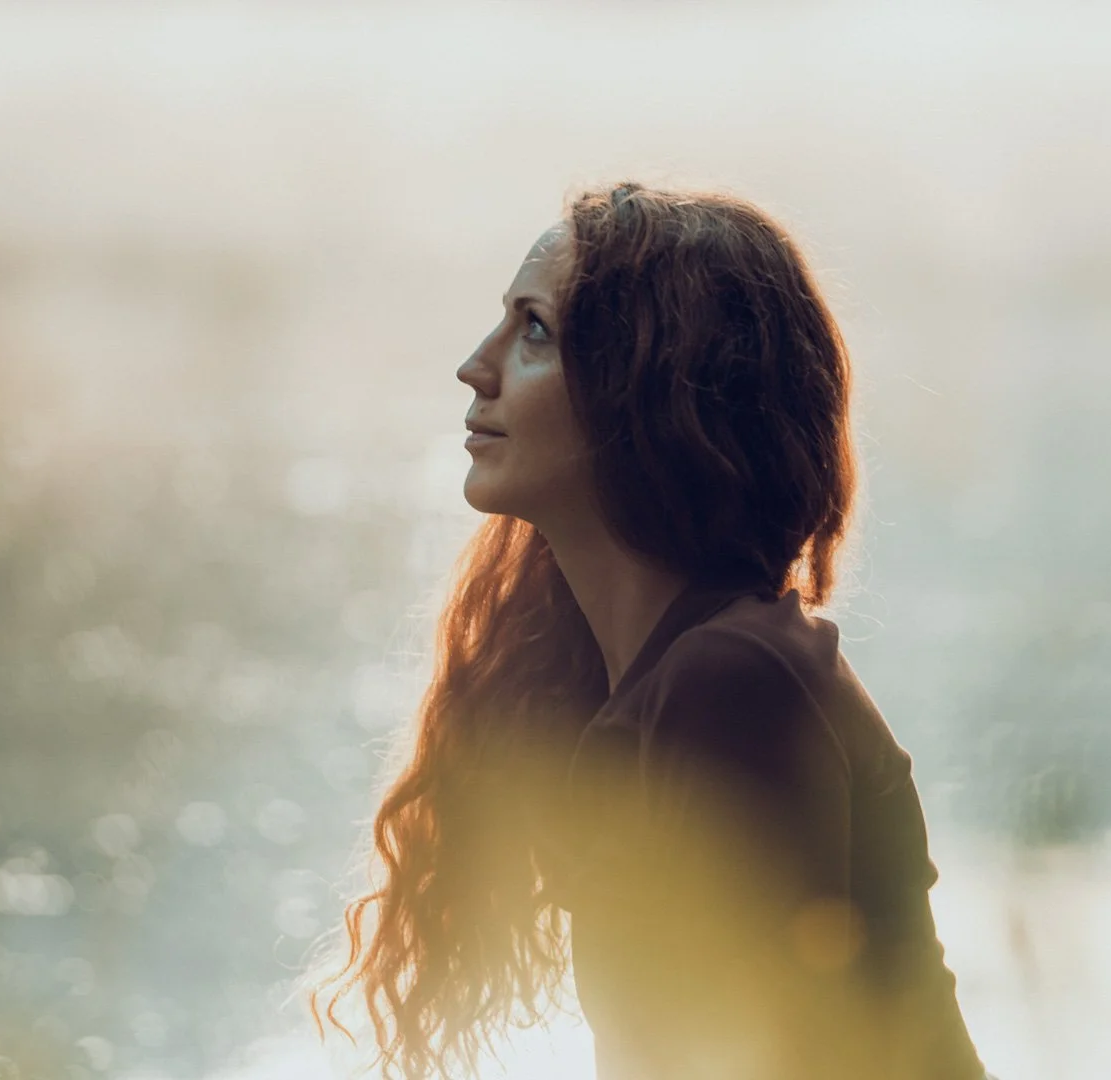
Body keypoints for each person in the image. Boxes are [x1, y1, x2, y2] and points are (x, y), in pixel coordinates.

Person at [311, 182, 990, 1080]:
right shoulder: (657, 669)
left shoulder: (733, 677)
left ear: (649, 391)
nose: (478, 366)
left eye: (535, 331)